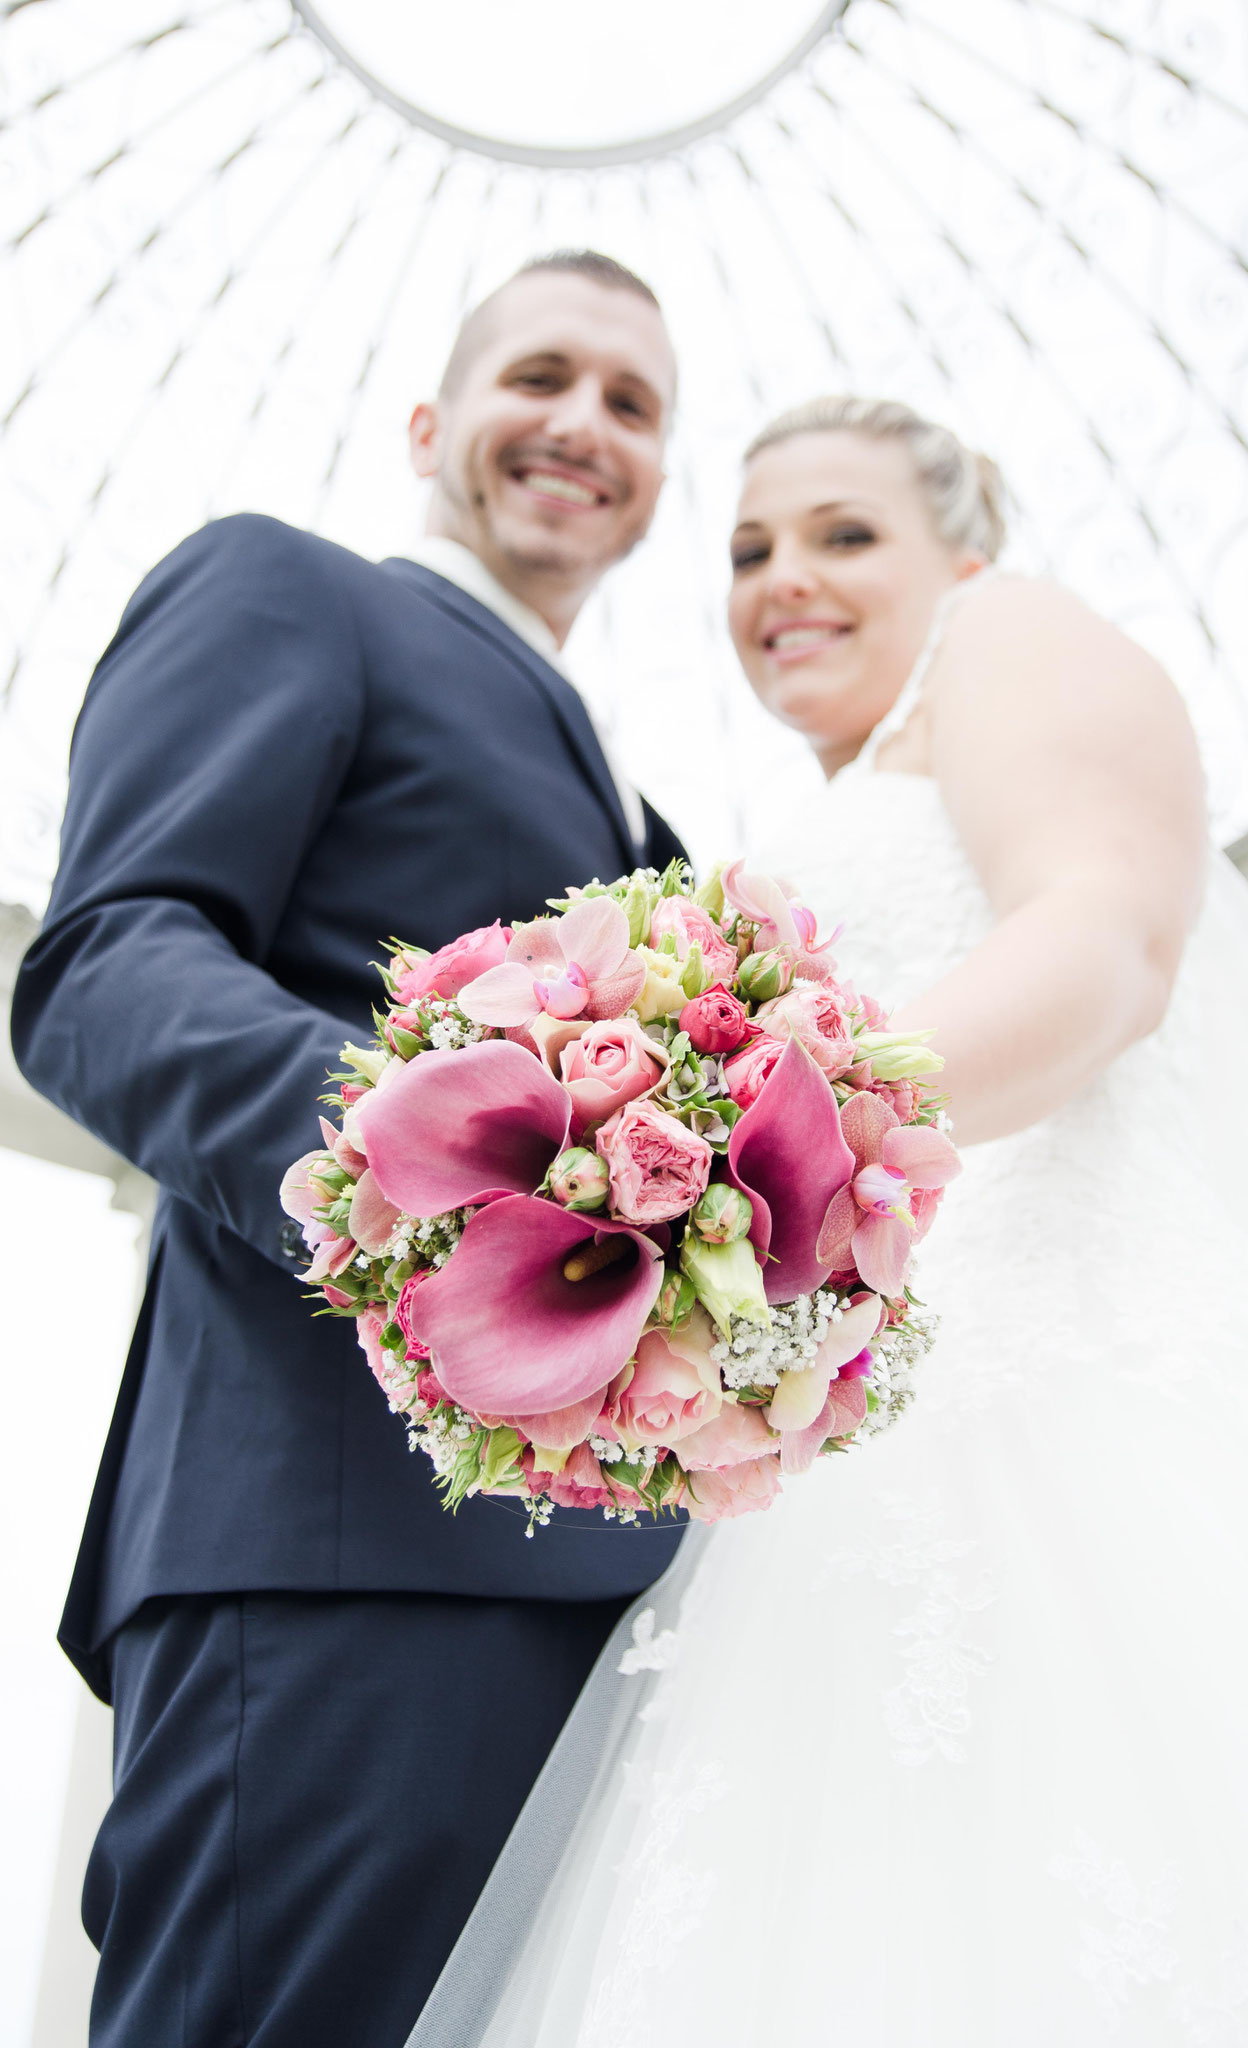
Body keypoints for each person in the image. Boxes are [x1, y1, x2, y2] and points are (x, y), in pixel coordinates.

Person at [445, 398, 1248, 2045]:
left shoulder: (1008, 638)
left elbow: (1101, 946)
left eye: (841, 534)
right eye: (747, 551)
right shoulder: (833, 806)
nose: (782, 579)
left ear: (966, 553)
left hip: (1072, 1412)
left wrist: (757, 1150)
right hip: (848, 1482)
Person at [10, 249, 689, 2047]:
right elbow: (106, 966)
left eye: (632, 405)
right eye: (540, 374)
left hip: (631, 1593)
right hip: (343, 1535)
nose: (581, 424)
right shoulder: (292, 590)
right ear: (426, 423)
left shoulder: (661, 822)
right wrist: (451, 1173)